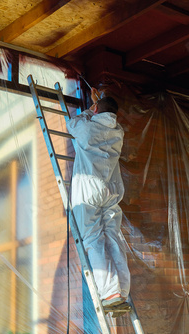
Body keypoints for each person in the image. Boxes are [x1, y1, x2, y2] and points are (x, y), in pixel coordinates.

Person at [66, 88, 130, 308]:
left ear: (95, 110)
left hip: (90, 192)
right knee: (112, 236)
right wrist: (98, 104)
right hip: (112, 190)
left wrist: (91, 107)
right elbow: (104, 116)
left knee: (93, 239)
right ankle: (121, 289)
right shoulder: (118, 131)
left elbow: (72, 123)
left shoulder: (87, 128)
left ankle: (111, 292)